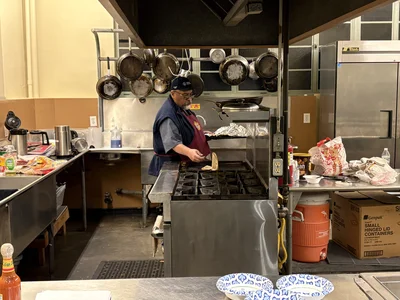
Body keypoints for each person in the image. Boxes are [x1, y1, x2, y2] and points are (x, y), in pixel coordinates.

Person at [148, 77, 211, 176]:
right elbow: (172, 142)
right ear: (173, 94)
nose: (189, 99)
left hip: (182, 164)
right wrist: (189, 152)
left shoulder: (181, 108)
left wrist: (202, 134)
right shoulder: (168, 115)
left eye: (190, 94)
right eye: (185, 95)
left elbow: (185, 129)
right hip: (169, 166)